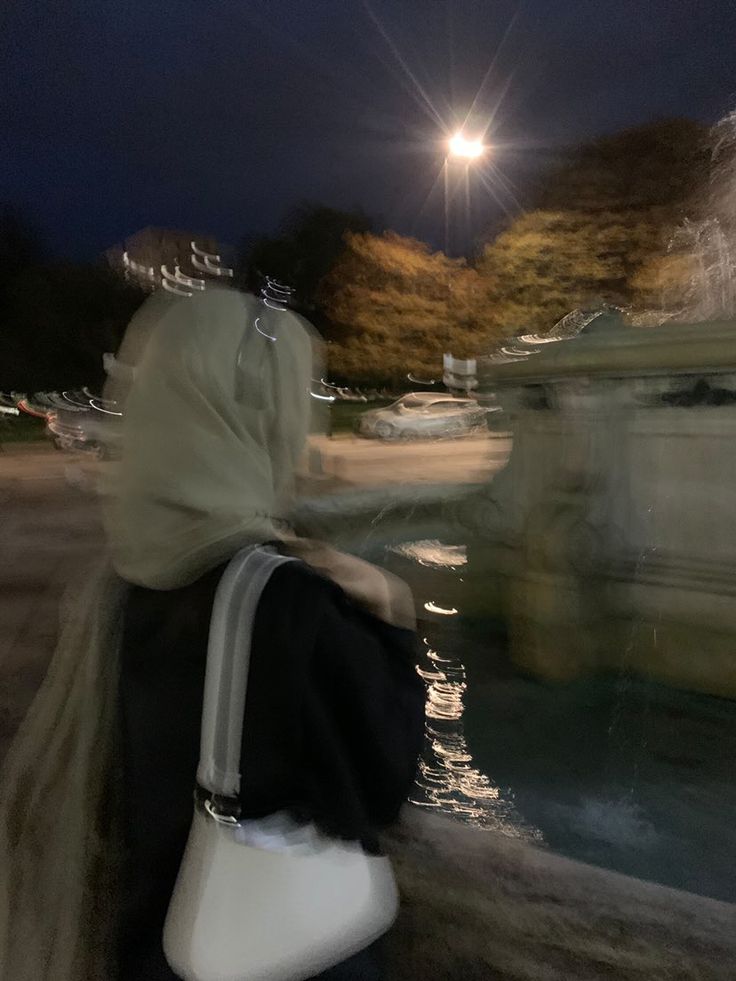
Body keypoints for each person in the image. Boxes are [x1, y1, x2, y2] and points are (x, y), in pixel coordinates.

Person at [0, 282, 425, 981]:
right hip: (277, 950)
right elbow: (384, 780)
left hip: (152, 939)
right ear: (262, 417)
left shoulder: (121, 581)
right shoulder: (288, 602)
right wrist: (388, 613)